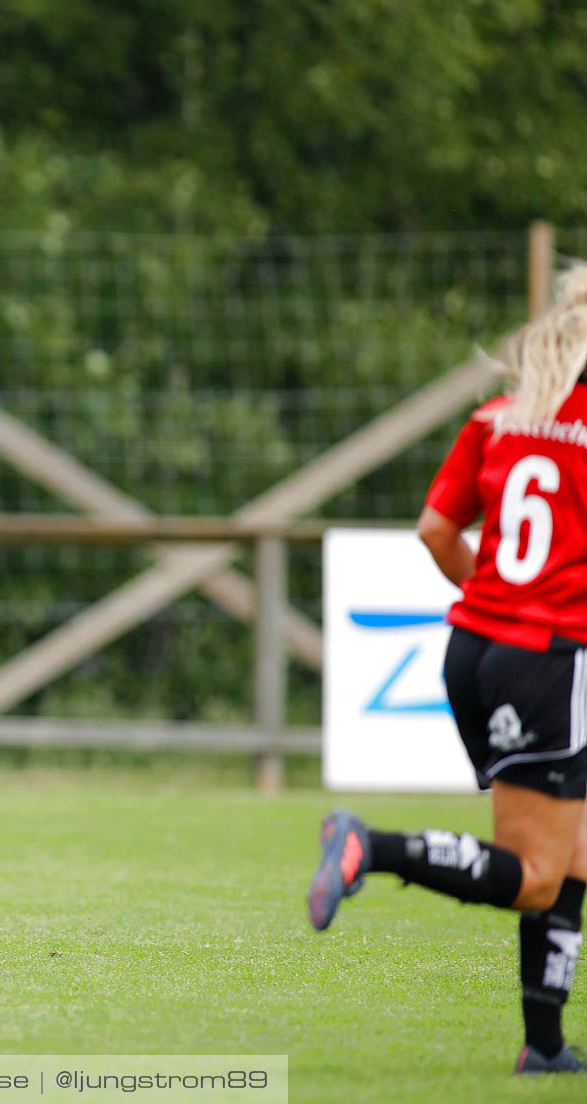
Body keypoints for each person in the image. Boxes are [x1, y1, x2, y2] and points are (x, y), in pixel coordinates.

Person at [308, 267, 587, 1076]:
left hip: (473, 650)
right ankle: (370, 846)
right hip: (547, 663)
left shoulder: (499, 418)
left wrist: (501, 602)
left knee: (573, 852)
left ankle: (544, 1045)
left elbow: (436, 530)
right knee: (538, 876)